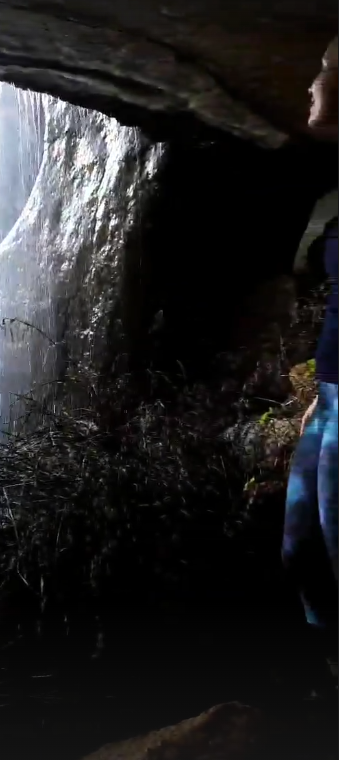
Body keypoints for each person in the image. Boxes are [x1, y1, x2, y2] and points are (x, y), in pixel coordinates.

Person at [282, 36, 338, 696]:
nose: (310, 84)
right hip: (332, 397)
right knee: (302, 551)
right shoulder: (332, 198)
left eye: (322, 71)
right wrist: (320, 396)